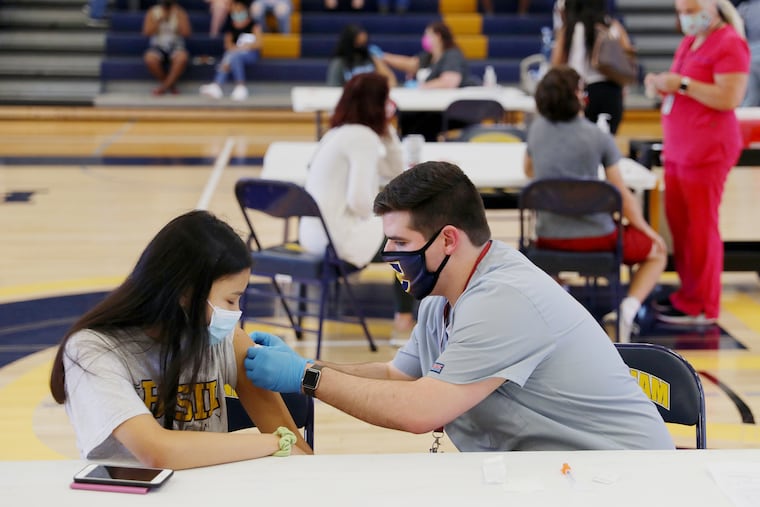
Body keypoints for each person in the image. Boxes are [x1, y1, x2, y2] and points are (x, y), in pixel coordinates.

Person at [245, 161, 675, 452]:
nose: (389, 254)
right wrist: (307, 364)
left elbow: (418, 411)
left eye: (400, 243)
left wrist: (308, 378)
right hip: (558, 474)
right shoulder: (444, 296)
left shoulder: (503, 299)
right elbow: (398, 375)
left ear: (448, 239)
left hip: (625, 479)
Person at [49, 210, 312, 469]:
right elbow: (157, 452)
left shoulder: (224, 338)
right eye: (230, 300)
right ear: (185, 293)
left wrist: (284, 437)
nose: (235, 314)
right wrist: (275, 443)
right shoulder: (91, 351)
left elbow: (299, 451)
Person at [524, 66, 667, 342]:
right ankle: (628, 308)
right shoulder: (597, 135)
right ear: (578, 97)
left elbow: (529, 171)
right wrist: (646, 230)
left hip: (549, 239)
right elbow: (621, 194)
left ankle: (560, 303)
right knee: (657, 252)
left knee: (542, 264)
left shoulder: (536, 129)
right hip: (598, 238)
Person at [644, 0, 749, 325]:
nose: (685, 17)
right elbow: (681, 86)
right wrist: (662, 85)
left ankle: (703, 304)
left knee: (701, 227)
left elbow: (729, 97)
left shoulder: (730, 42)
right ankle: (687, 293)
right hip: (680, 148)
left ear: (713, 7)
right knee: (682, 227)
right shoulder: (691, 41)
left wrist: (684, 85)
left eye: (691, 10)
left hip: (707, 148)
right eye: (681, 12)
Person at [298, 72, 413, 337]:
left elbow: (395, 170)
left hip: (313, 237)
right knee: (411, 234)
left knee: (401, 227)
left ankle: (405, 314)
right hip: (337, 241)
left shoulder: (337, 133)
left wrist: (387, 131)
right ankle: (404, 316)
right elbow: (361, 202)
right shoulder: (362, 137)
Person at [378, 21, 478, 140]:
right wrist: (383, 56)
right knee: (407, 117)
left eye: (428, 35)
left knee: (418, 124)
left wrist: (421, 86)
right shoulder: (429, 56)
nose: (425, 38)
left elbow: (450, 81)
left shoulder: (452, 55)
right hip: (428, 107)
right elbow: (410, 64)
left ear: (438, 36)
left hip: (448, 111)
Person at [551, 0, 634, 134]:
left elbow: (556, 65)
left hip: (583, 93)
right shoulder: (613, 26)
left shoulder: (570, 29)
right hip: (612, 93)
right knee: (606, 144)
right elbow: (628, 58)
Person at [200, 0, 262, 101]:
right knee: (233, 56)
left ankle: (227, 85)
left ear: (245, 10)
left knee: (230, 57)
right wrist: (238, 49)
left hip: (250, 54)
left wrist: (245, 47)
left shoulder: (253, 24)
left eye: (240, 10)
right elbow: (228, 45)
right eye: (235, 10)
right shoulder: (231, 26)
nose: (237, 12)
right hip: (236, 53)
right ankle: (236, 87)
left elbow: (259, 43)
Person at [142, 0, 191, 96]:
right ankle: (170, 86)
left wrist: (177, 18)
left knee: (182, 57)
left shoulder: (180, 12)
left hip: (175, 45)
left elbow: (187, 33)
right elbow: (146, 32)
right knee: (149, 59)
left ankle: (163, 87)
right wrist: (160, 21)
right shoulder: (153, 11)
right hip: (158, 46)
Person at [326, 24, 397, 87]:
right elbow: (333, 88)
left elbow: (390, 80)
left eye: (364, 44)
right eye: (358, 44)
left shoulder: (371, 56)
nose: (361, 47)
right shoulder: (338, 63)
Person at [738, 0, 760, 105]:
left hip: (750, 55)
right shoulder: (745, 7)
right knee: (751, 97)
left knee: (751, 98)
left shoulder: (745, 8)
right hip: (750, 56)